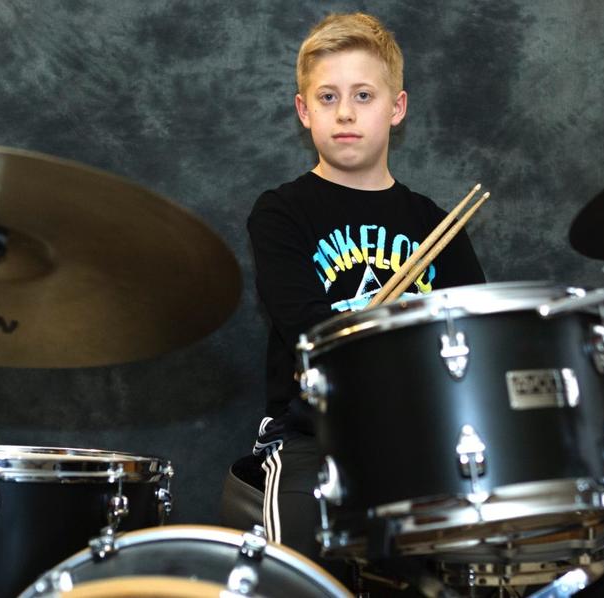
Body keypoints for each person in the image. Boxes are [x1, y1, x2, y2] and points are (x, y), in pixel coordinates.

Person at [241, 10, 485, 576]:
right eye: (327, 97)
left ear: (397, 108)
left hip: (422, 435)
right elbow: (308, 332)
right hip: (312, 436)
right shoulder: (281, 213)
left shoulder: (436, 224)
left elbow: (471, 339)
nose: (345, 112)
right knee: (297, 571)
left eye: (364, 95)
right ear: (304, 111)